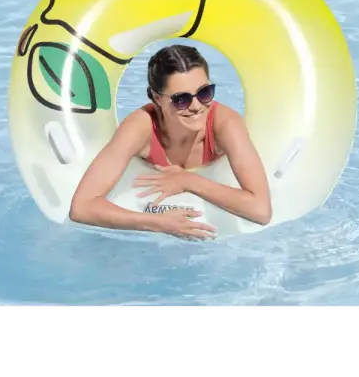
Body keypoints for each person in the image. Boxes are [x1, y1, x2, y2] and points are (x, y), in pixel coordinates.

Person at [69, 44, 271, 240]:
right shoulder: (141, 127)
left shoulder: (225, 124)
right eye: (181, 99)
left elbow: (261, 211)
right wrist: (158, 223)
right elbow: (82, 206)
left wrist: (188, 181)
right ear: (156, 98)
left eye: (204, 92)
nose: (196, 106)